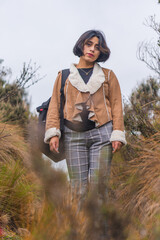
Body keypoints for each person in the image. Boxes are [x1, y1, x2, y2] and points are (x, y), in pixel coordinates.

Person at [44, 30, 126, 206]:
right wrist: (53, 133)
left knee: (99, 188)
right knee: (77, 189)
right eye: (89, 44)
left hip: (102, 135)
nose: (92, 49)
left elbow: (117, 105)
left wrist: (117, 132)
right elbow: (55, 105)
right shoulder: (64, 76)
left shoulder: (109, 75)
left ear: (101, 52)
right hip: (74, 136)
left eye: (97, 47)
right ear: (81, 45)